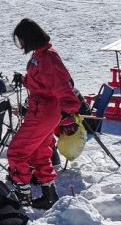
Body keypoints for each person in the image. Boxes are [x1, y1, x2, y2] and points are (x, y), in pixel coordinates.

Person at [7, 18, 81, 208]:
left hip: (44, 112)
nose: (21, 44)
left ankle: (22, 194)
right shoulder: (40, 55)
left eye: (21, 40)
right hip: (41, 109)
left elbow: (61, 85)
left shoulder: (48, 58)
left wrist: (68, 112)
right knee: (39, 151)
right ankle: (49, 194)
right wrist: (24, 79)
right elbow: (44, 84)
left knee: (16, 151)